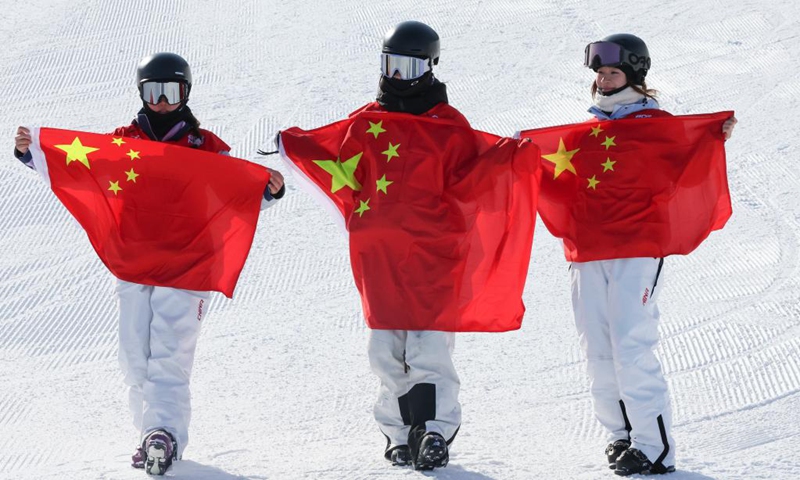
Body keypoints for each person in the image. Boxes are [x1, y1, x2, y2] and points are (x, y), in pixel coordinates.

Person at [13, 52, 285, 476]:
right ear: (141, 93)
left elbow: (231, 198)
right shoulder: (122, 142)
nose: (161, 102)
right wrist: (35, 154)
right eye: (153, 92)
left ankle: (165, 433)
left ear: (185, 94)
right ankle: (150, 438)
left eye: (170, 92)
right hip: (134, 261)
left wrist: (263, 192)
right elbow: (81, 170)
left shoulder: (206, 147)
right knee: (133, 358)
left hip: (187, 264)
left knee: (169, 355)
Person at [574, 34, 737, 476]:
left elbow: (686, 158)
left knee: (630, 343)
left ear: (634, 74)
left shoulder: (654, 125)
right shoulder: (590, 131)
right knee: (598, 347)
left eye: (612, 72)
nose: (604, 81)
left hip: (638, 247)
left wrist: (713, 135)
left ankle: (654, 447)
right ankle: (621, 436)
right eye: (600, 74)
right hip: (590, 249)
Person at [365, 21, 462, 471]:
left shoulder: (448, 125)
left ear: (429, 66)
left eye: (408, 66)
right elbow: (333, 163)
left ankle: (435, 430)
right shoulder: (367, 122)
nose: (398, 77)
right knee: (387, 349)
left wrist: (513, 158)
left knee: (428, 346)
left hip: (433, 255)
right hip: (382, 256)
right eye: (391, 65)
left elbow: (478, 177)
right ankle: (399, 432)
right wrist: (293, 149)